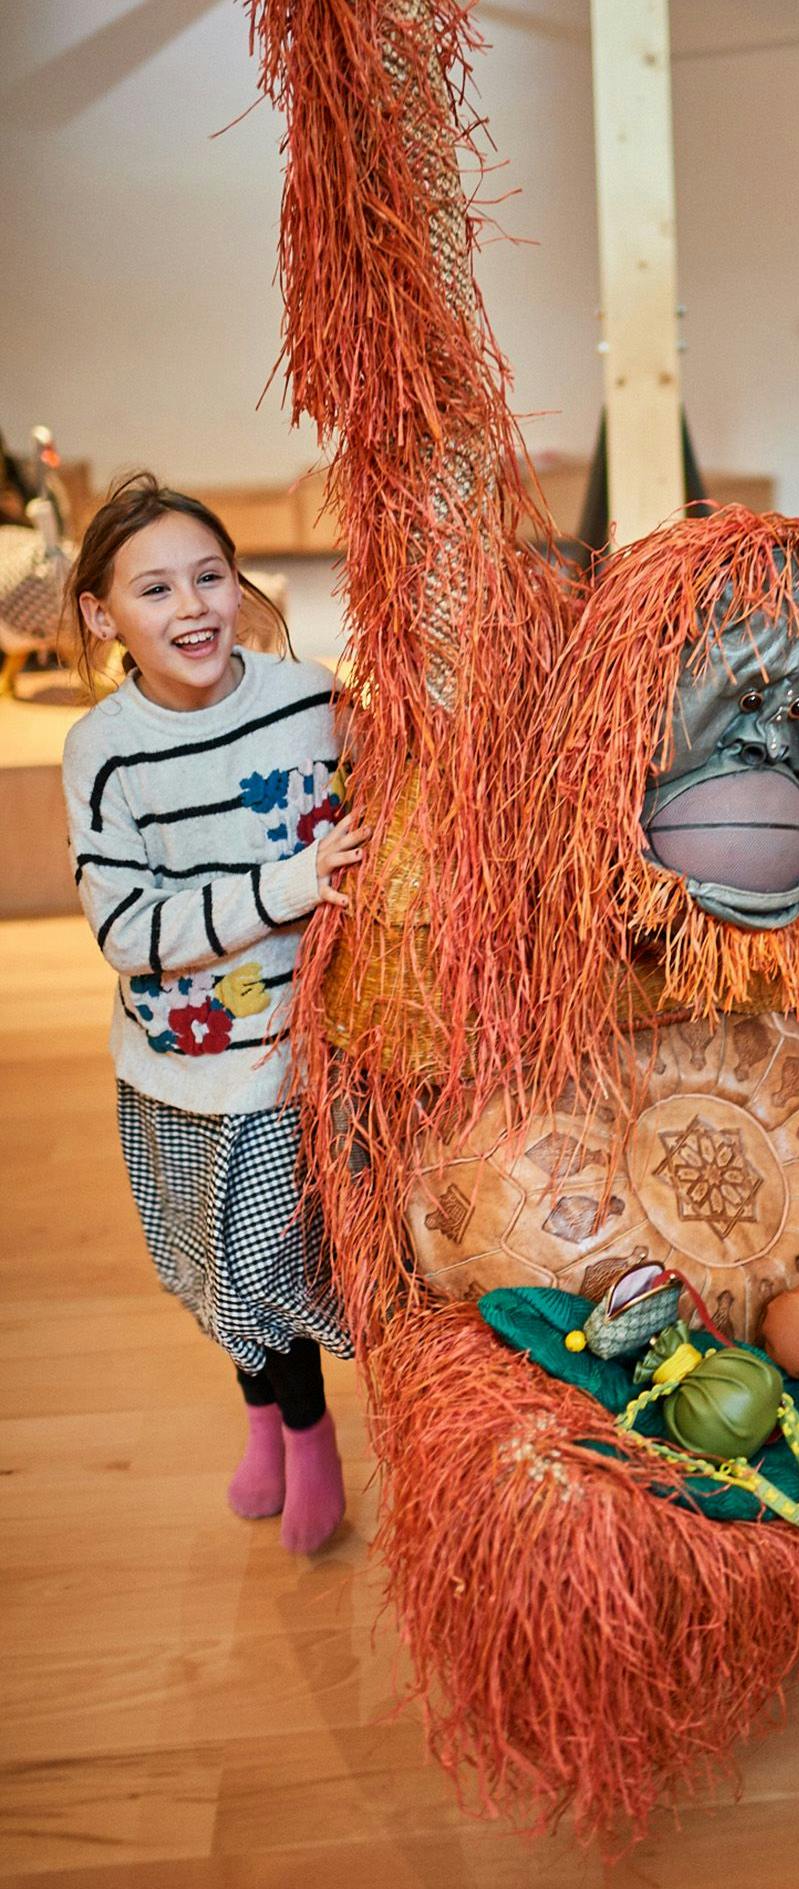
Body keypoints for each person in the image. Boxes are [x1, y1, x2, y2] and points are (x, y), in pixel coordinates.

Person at [61, 473, 370, 1553]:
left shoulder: (306, 700)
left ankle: (310, 1426)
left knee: (265, 1265)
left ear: (240, 584)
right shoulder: (102, 750)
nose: (191, 605)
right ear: (104, 615)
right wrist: (283, 888)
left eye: (209, 574)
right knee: (199, 1266)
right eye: (154, 588)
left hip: (290, 1055)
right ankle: (262, 1414)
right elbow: (125, 931)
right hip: (176, 1060)